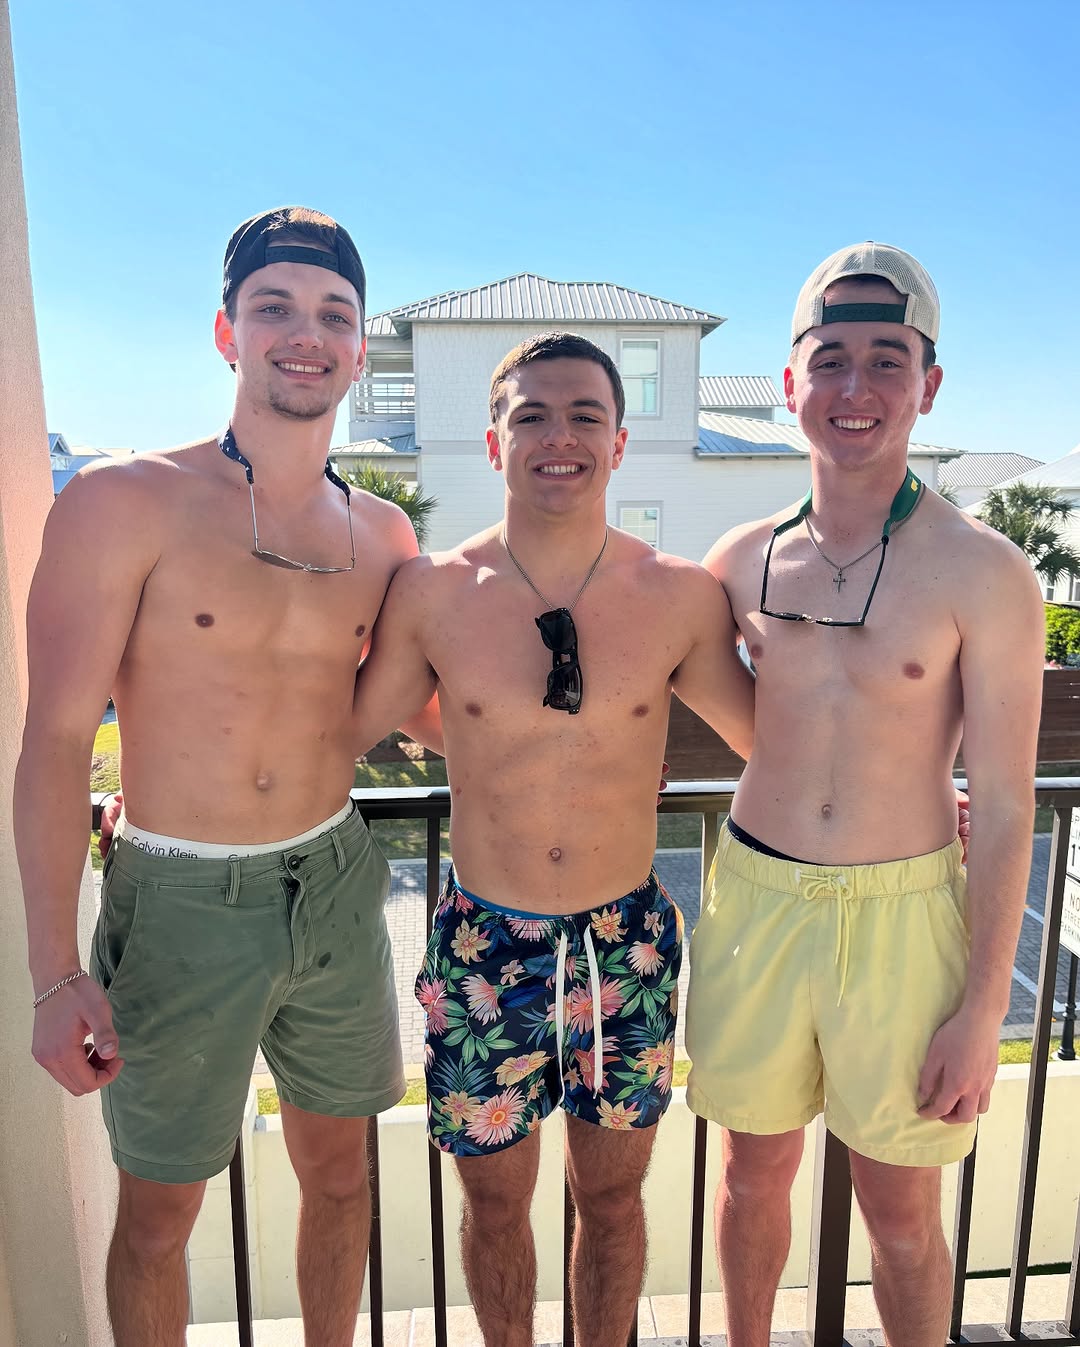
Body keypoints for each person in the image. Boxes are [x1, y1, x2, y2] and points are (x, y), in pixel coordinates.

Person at [15, 206, 424, 1347]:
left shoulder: (384, 536)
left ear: (359, 347)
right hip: (180, 897)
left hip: (334, 882)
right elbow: (54, 739)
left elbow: (439, 709)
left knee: (340, 1173)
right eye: (274, 307)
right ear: (225, 331)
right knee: (159, 1215)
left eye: (333, 314)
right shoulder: (123, 501)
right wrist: (52, 974)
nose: (306, 334)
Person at [351, 330, 756, 1347]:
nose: (559, 436)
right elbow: (337, 728)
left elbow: (774, 740)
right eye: (531, 416)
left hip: (627, 943)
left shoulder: (678, 596)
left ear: (619, 442)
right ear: (496, 443)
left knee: (611, 1201)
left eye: (585, 416)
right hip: (486, 942)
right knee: (493, 1206)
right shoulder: (435, 592)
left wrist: (931, 791)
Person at [685, 242, 1045, 1346]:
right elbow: (667, 682)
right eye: (830, 358)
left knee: (901, 1211)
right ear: (790, 382)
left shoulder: (986, 570)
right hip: (756, 899)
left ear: (927, 385)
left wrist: (982, 1011)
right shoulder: (739, 561)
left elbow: (1008, 801)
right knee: (750, 1176)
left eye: (887, 360)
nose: (856, 387)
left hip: (903, 914)